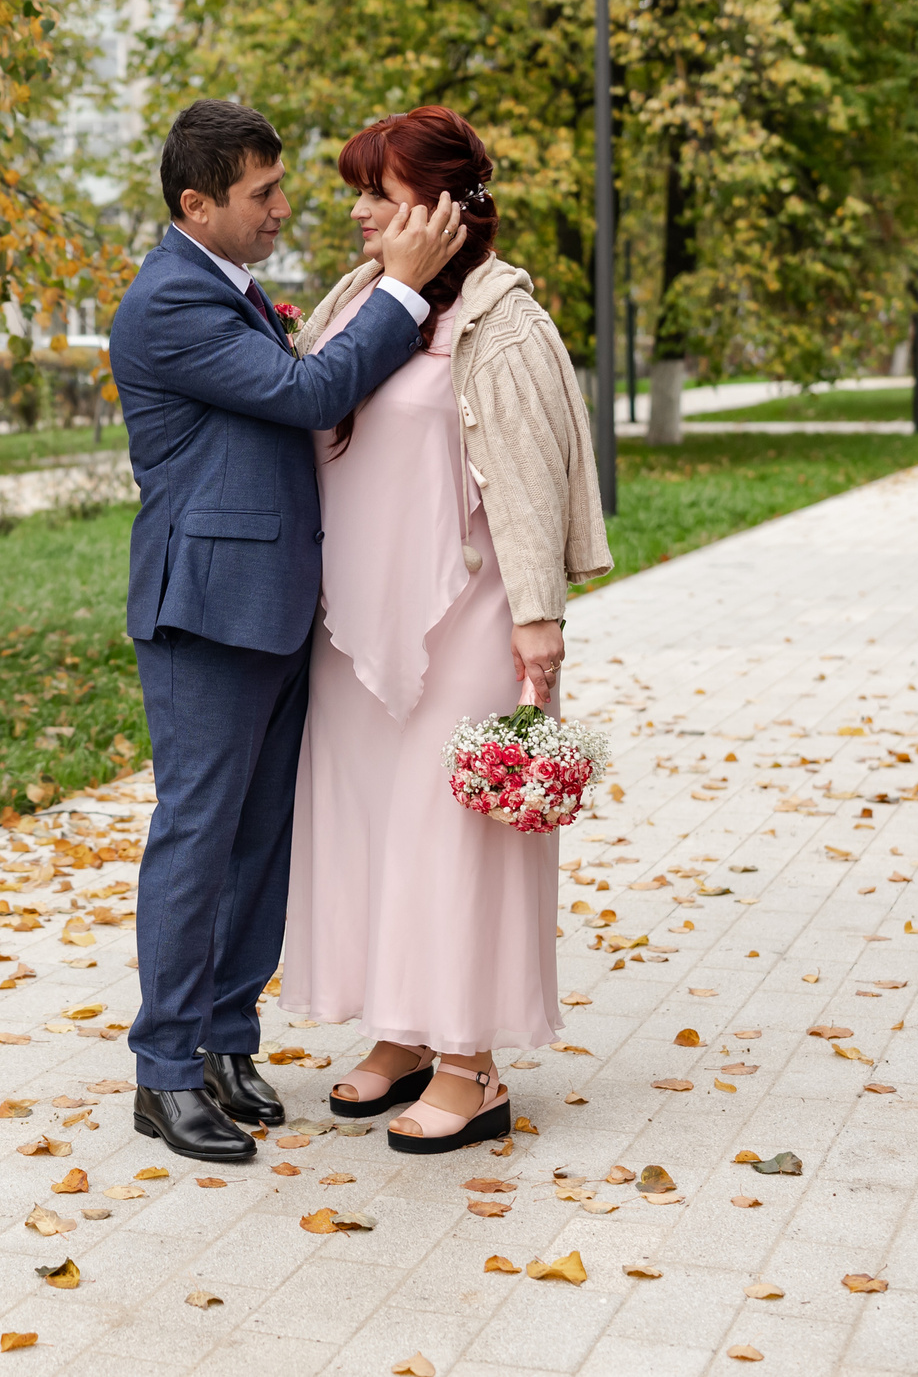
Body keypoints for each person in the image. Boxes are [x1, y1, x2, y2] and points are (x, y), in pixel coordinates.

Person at [109, 99, 466, 1164]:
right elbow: (310, 393)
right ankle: (163, 1071)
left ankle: (224, 1039)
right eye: (261, 193)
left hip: (268, 607)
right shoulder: (170, 301)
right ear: (197, 203)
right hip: (204, 612)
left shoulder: (233, 290)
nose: (282, 207)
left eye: (278, 186)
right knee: (197, 835)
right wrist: (402, 289)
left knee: (259, 841)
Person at [280, 105, 611, 1154]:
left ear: (441, 205)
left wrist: (537, 619)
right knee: (378, 831)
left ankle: (472, 1064)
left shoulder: (505, 317)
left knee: (453, 842)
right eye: (359, 191)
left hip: (466, 621)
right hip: (355, 630)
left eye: (379, 192)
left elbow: (528, 475)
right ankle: (403, 1031)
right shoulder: (356, 299)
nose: (359, 211)